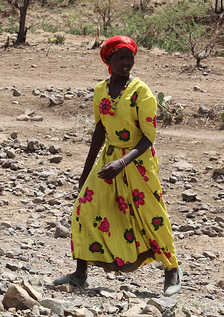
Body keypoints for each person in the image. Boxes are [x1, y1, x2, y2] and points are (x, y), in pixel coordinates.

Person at [54, 35, 181, 296]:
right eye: (120, 57)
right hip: (109, 158)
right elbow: (99, 130)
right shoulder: (101, 89)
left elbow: (149, 137)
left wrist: (123, 162)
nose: (126, 62)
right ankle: (80, 274)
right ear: (108, 60)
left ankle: (171, 271)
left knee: (152, 216)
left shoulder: (141, 91)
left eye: (130, 57)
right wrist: (86, 170)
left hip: (137, 162)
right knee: (84, 209)